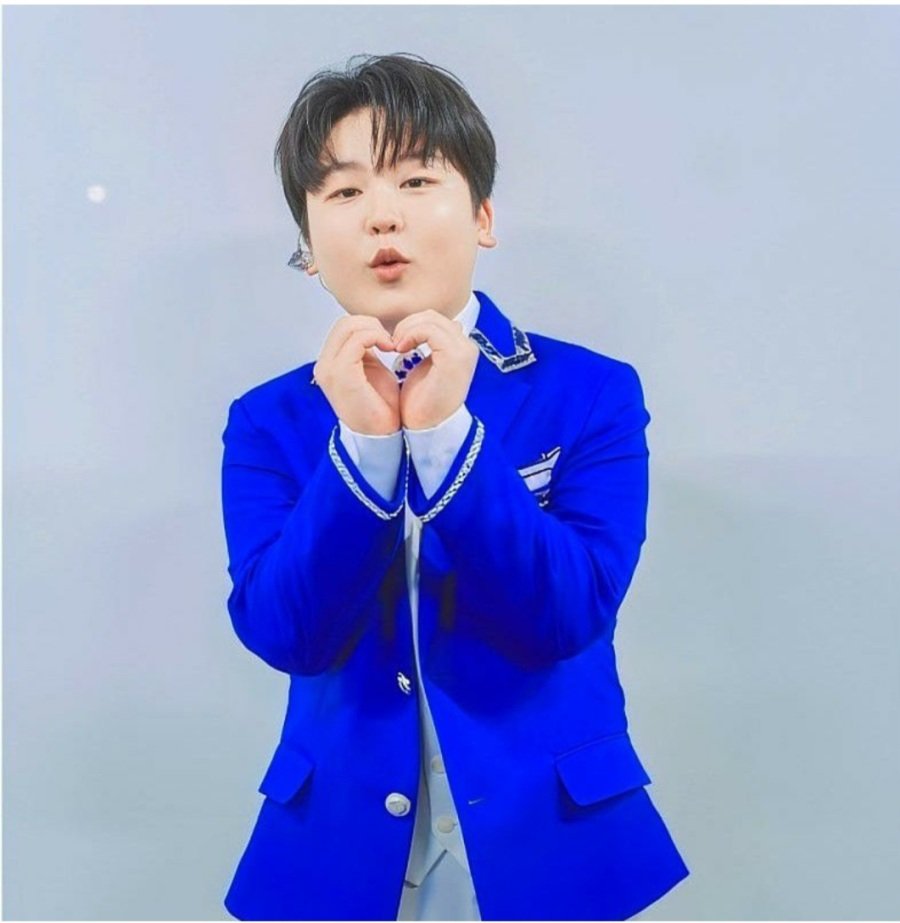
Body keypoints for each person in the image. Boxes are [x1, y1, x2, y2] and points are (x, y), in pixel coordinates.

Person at [219, 52, 690, 922]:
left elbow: (568, 613)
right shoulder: (268, 421)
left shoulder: (591, 392)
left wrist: (445, 436)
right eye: (344, 191)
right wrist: (365, 443)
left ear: (482, 216)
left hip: (556, 840)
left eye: (416, 178)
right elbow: (288, 632)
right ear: (309, 248)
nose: (382, 214)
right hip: (340, 855)